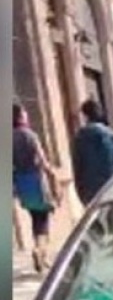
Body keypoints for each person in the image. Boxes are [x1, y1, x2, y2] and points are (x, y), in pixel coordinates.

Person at [13, 102, 57, 273]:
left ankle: (42, 254)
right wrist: (53, 176)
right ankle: (40, 250)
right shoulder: (30, 135)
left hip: (22, 183)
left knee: (34, 217)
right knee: (43, 218)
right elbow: (43, 160)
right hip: (37, 181)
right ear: (20, 116)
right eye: (24, 113)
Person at [71, 99, 113, 206]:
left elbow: (77, 166)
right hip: (111, 187)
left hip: (90, 190)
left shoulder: (80, 138)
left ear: (85, 116)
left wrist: (80, 191)